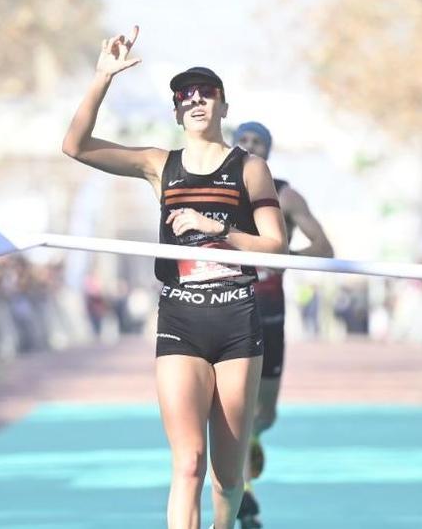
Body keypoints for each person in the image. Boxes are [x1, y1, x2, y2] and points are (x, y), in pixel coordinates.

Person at [62, 26, 286, 529]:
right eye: (185, 96)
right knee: (187, 464)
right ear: (176, 112)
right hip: (181, 317)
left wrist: (219, 230)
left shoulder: (249, 169)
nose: (196, 101)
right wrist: (102, 79)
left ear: (223, 106)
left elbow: (276, 247)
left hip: (237, 320)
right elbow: (75, 146)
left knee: (226, 477)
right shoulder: (158, 166)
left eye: (207, 93)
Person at [232, 121, 333, 528]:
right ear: (233, 143)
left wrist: (282, 254)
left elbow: (325, 248)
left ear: (269, 151)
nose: (250, 145)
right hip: (229, 305)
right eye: (244, 139)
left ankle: (250, 445)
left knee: (265, 412)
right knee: (231, 404)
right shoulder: (216, 188)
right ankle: (243, 492)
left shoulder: (286, 195)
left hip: (271, 310)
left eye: (258, 142)